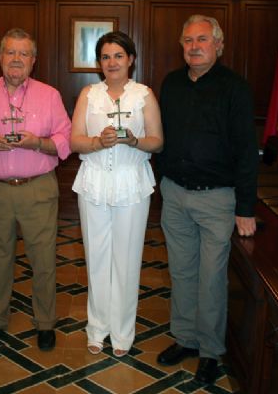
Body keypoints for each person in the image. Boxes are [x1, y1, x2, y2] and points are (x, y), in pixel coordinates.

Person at [156, 15, 258, 383]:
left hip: (217, 200)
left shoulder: (235, 88)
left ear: (218, 44)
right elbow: (160, 136)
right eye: (187, 40)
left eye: (202, 39)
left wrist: (246, 208)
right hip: (175, 194)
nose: (194, 46)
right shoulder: (170, 85)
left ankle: (212, 350)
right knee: (181, 272)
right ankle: (185, 338)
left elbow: (248, 151)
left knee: (211, 278)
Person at [0, 28, 71, 351]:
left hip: (37, 189)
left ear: (33, 61)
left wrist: (39, 143)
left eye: (23, 54)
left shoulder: (49, 95)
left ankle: (45, 322)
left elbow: (65, 139)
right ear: (0, 57)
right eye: (10, 52)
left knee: (43, 260)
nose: (16, 59)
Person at [70, 31, 163, 357]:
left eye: (118, 56)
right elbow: (74, 141)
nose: (112, 62)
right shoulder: (88, 95)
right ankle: (97, 329)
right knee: (96, 257)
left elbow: (157, 141)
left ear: (131, 59)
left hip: (131, 183)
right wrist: (98, 141)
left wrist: (133, 141)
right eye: (106, 57)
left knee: (126, 260)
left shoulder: (144, 95)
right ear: (99, 63)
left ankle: (123, 334)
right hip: (94, 181)